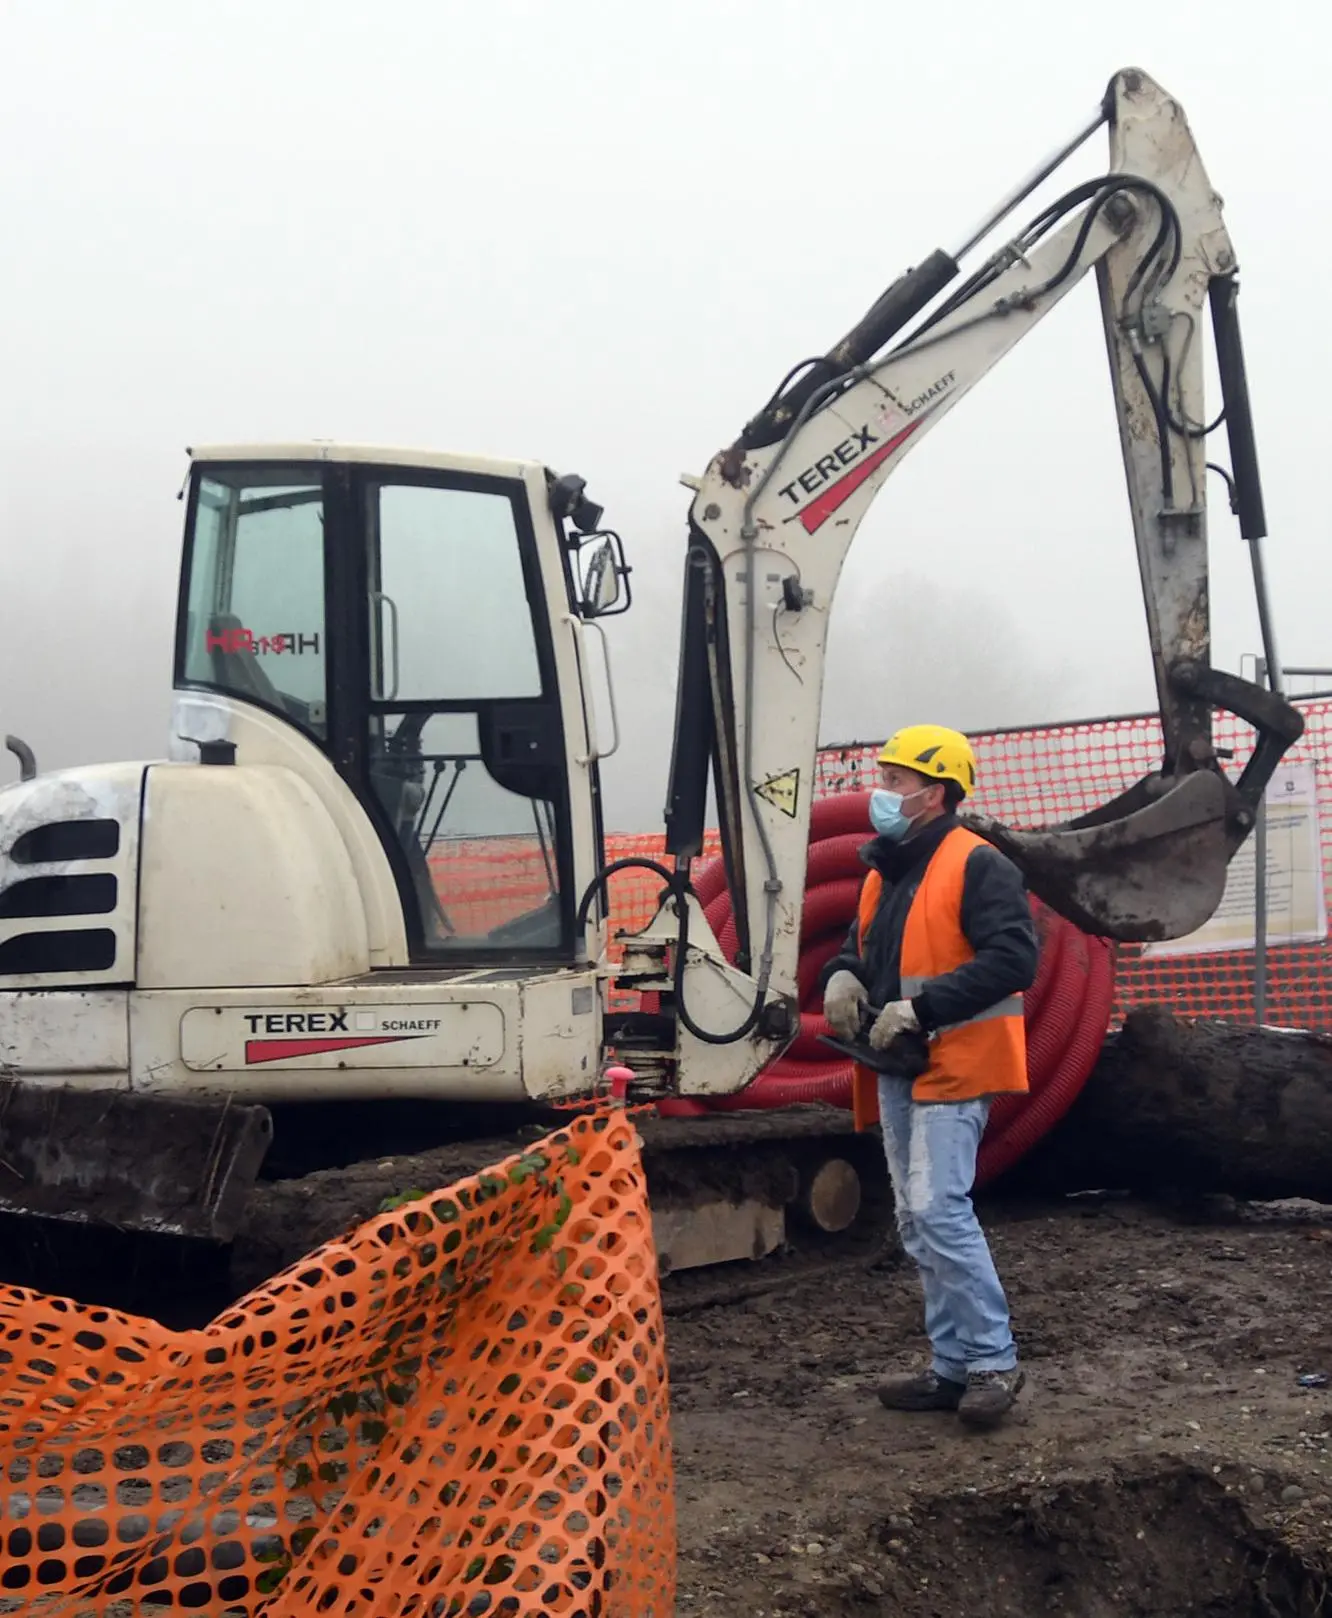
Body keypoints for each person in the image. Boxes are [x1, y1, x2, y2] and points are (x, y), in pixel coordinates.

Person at [821, 723, 1039, 1430]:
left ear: (935, 790)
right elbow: (866, 950)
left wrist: (924, 1008)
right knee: (917, 1218)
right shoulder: (885, 868)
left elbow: (1013, 959)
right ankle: (951, 1367)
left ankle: (992, 1362)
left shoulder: (979, 864)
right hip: (900, 1062)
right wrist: (844, 975)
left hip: (955, 1060)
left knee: (940, 1209)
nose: (881, 792)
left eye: (894, 780)